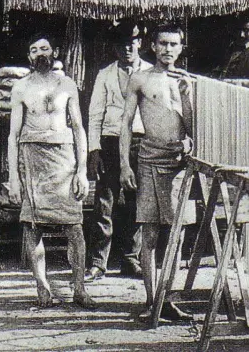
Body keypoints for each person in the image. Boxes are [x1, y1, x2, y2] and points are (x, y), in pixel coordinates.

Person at [7, 33, 95, 309]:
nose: (40, 53)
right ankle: (42, 289)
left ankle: (79, 288)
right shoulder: (20, 87)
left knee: (75, 227)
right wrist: (13, 178)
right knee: (32, 227)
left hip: (64, 160)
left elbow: (79, 128)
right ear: (29, 57)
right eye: (34, 50)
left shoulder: (67, 84)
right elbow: (13, 135)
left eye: (44, 48)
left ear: (54, 52)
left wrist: (82, 171)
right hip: (33, 159)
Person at [120, 22, 194, 322]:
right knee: (149, 233)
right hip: (148, 160)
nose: (168, 49)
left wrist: (187, 97)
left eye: (174, 44)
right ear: (153, 46)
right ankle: (152, 301)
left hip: (177, 163)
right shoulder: (140, 79)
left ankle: (167, 300)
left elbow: (193, 129)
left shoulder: (186, 80)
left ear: (181, 47)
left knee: (177, 233)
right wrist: (124, 164)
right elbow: (126, 123)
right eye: (163, 43)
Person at [86, 21, 152, 281]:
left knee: (137, 202)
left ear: (140, 43)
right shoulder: (105, 74)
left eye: (131, 43)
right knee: (105, 203)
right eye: (122, 44)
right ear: (115, 47)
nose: (127, 48)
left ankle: (131, 259)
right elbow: (95, 114)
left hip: (140, 142)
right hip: (111, 142)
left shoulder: (150, 72)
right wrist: (94, 150)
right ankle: (98, 263)